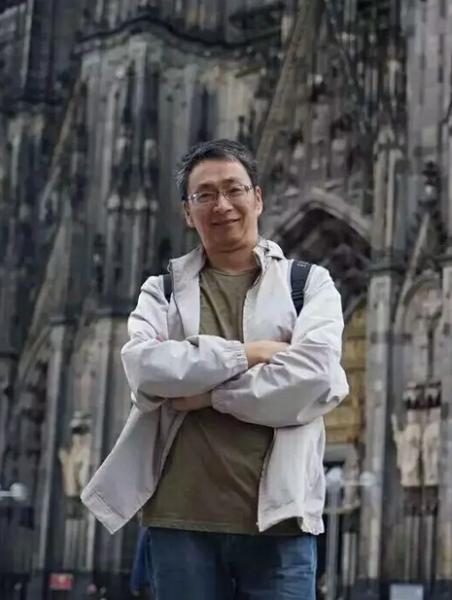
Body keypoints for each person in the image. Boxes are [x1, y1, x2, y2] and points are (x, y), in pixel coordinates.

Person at [81, 139, 349, 600]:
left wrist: (206, 394)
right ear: (188, 212)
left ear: (257, 198)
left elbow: (318, 377)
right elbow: (145, 371)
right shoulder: (162, 291)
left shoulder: (308, 284)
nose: (222, 204)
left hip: (280, 526)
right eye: (204, 195)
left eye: (234, 189)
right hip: (180, 524)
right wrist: (250, 354)